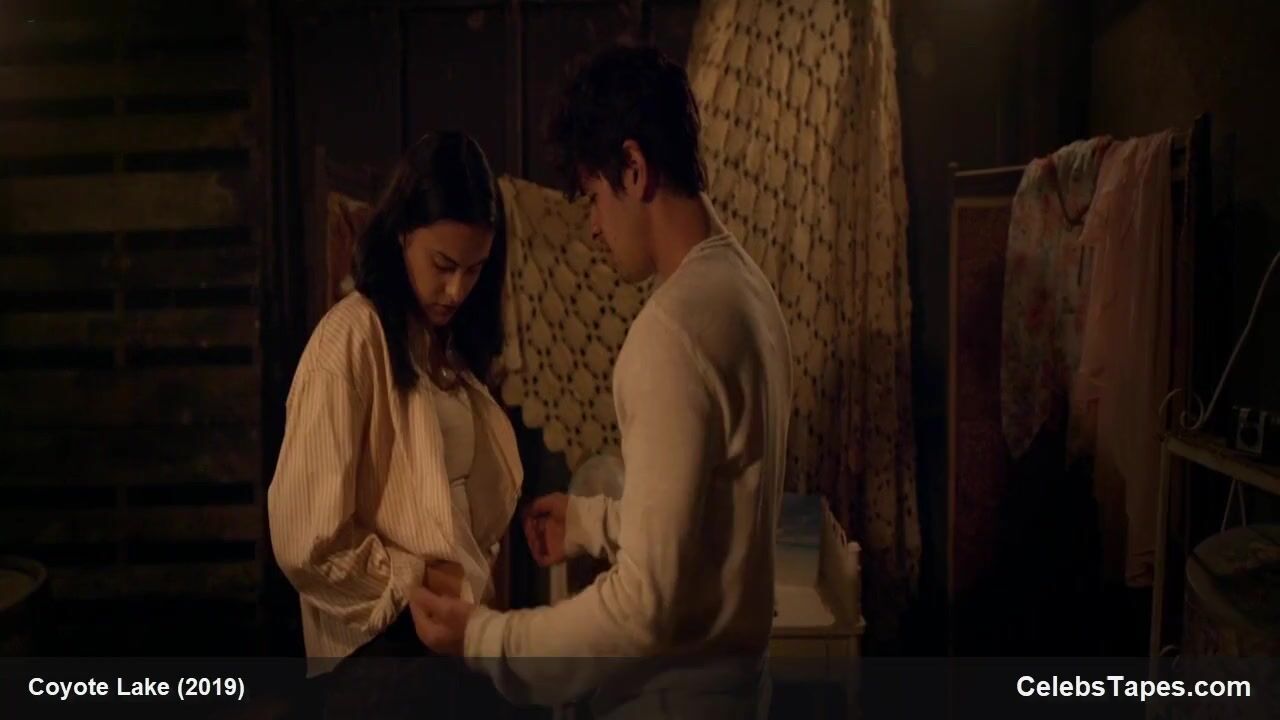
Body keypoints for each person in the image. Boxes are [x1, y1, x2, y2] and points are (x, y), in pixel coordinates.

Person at [409, 45, 793, 719]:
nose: (592, 226)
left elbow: (642, 608)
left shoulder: (671, 334)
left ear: (634, 169)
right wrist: (592, 522)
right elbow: (715, 522)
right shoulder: (748, 292)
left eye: (593, 196)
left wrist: (483, 636)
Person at [266, 131, 520, 716]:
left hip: (450, 639)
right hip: (379, 654)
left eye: (475, 270)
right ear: (403, 231)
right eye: (443, 265)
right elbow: (304, 539)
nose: (456, 290)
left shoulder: (445, 347)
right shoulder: (350, 339)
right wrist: (413, 579)